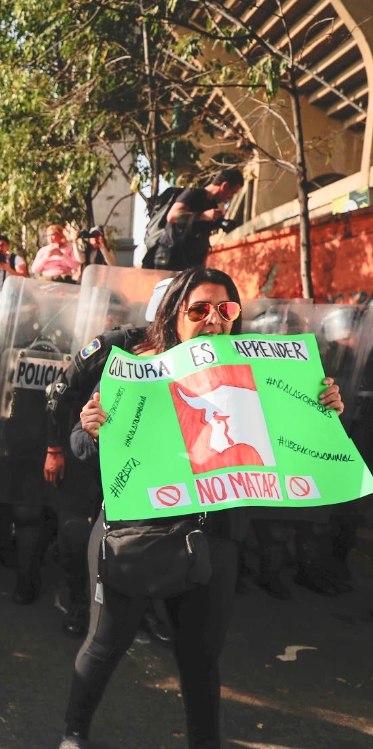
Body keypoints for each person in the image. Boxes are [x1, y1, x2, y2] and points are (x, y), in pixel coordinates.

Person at [58, 267, 345, 749]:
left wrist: (323, 410)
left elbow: (292, 442)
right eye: (199, 309)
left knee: (200, 661)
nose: (214, 319)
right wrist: (90, 429)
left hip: (213, 540)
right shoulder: (135, 367)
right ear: (175, 313)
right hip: (135, 536)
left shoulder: (257, 372)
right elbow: (82, 451)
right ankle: (74, 734)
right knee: (105, 647)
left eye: (226, 309)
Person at [144, 169, 244, 271]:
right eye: (232, 192)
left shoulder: (211, 204)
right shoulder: (193, 194)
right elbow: (172, 216)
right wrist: (203, 216)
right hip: (171, 256)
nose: (230, 197)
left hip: (191, 260)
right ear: (224, 186)